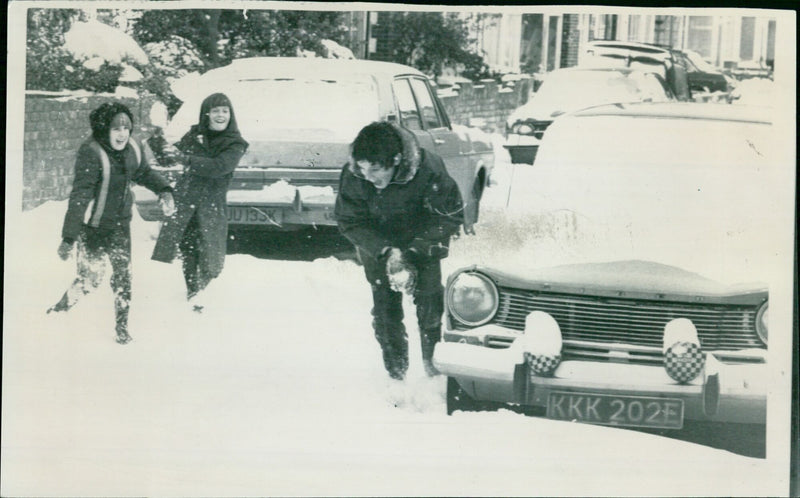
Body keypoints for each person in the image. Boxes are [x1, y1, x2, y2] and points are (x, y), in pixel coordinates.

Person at [334, 122, 464, 380]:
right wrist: (384, 250)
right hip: (378, 244)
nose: (368, 176)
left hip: (423, 241)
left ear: (396, 160)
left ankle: (433, 370)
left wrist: (414, 250)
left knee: (430, 305)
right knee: (384, 312)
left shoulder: (429, 169)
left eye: (376, 169)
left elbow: (449, 216)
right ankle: (396, 374)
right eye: (362, 168)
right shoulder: (355, 175)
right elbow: (349, 220)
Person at [48, 102, 175, 344]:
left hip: (120, 225)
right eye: (116, 128)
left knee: (123, 277)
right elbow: (80, 195)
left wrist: (165, 190)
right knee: (90, 279)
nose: (122, 133)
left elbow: (144, 173)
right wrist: (69, 236)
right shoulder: (92, 152)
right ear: (104, 129)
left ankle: (122, 328)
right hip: (93, 228)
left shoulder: (133, 148)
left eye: (127, 128)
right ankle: (59, 310)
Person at [151, 93, 248, 311]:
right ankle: (193, 292)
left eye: (225, 111)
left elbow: (219, 167)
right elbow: (168, 158)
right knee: (188, 248)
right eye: (215, 111)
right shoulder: (195, 135)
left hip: (211, 205)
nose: (220, 115)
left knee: (211, 255)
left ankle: (204, 290)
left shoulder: (235, 143)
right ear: (207, 114)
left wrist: (185, 159)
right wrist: (156, 136)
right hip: (187, 200)